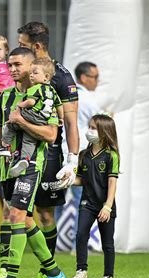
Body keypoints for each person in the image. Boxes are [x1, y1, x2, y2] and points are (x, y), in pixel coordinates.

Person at [0, 47, 66, 278]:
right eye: (10, 65)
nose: (13, 69)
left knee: (16, 216)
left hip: (30, 166)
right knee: (26, 220)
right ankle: (54, 272)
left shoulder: (44, 94)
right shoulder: (5, 97)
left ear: (31, 67)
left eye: (18, 64)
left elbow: (50, 135)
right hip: (7, 167)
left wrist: (22, 121)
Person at [17, 21, 80, 278]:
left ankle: (47, 271)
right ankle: (4, 273)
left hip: (49, 152)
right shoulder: (20, 69)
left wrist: (73, 160)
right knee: (17, 210)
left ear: (38, 46)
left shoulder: (62, 78)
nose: (19, 50)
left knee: (44, 214)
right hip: (19, 150)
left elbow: (71, 121)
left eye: (23, 44)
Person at [66, 114, 119, 278]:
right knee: (81, 234)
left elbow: (112, 183)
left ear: (104, 132)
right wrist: (68, 180)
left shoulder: (112, 156)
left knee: (107, 244)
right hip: (87, 203)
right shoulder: (84, 155)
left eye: (93, 128)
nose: (89, 131)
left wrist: (108, 206)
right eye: (89, 127)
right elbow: (81, 180)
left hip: (105, 205)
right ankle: (82, 273)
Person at [0, 57, 63, 178]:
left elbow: (31, 102)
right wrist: (61, 118)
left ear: (46, 77)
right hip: (43, 120)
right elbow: (59, 105)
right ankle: (25, 159)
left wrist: (19, 105)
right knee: (29, 140)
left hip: (33, 115)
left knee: (10, 123)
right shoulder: (52, 91)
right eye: (31, 73)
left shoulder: (35, 88)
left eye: (35, 73)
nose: (31, 76)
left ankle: (6, 146)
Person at [56, 62, 101, 243]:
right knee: (81, 201)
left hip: (60, 152)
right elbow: (101, 124)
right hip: (79, 155)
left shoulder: (64, 96)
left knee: (56, 201)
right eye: (95, 77)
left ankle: (54, 243)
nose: (97, 81)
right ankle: (79, 244)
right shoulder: (88, 100)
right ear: (83, 78)